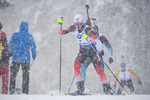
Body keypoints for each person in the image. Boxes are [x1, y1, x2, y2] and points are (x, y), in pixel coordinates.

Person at [58, 14, 112, 95]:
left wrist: (87, 37)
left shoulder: (87, 28)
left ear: (82, 23)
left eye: (79, 24)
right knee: (76, 66)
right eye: (76, 24)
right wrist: (60, 25)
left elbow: (93, 37)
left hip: (92, 51)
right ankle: (80, 88)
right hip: (83, 51)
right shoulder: (73, 27)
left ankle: (107, 88)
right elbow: (61, 32)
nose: (77, 26)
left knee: (99, 70)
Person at [80, 24, 113, 89]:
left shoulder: (101, 37)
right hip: (89, 55)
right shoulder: (87, 36)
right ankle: (81, 87)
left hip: (98, 56)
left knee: (101, 72)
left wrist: (110, 56)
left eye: (96, 35)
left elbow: (109, 47)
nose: (94, 37)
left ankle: (106, 88)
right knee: (82, 68)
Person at [8, 21, 36, 94]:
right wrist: (34, 56)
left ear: (20, 27)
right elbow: (33, 46)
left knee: (13, 74)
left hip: (15, 58)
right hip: (26, 59)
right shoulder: (29, 36)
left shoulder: (15, 35)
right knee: (26, 76)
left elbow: (10, 45)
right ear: (27, 27)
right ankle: (25, 91)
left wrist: (11, 53)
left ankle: (12, 89)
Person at [0, 22, 10, 94]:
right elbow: (6, 48)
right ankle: (5, 94)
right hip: (4, 63)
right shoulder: (3, 35)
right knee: (5, 82)